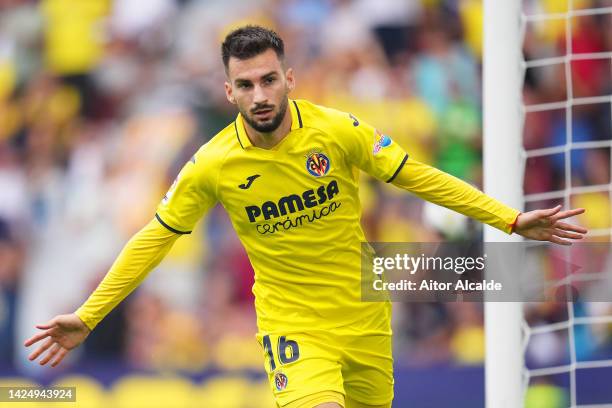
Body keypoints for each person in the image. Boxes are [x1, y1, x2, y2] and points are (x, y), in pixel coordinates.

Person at [24, 26, 587, 408]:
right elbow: (155, 238)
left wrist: (509, 219)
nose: (259, 94)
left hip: (366, 321)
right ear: (229, 92)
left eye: (268, 80)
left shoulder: (337, 131)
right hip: (294, 330)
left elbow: (418, 176)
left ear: (288, 79)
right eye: (245, 85)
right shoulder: (212, 165)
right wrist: (91, 315)